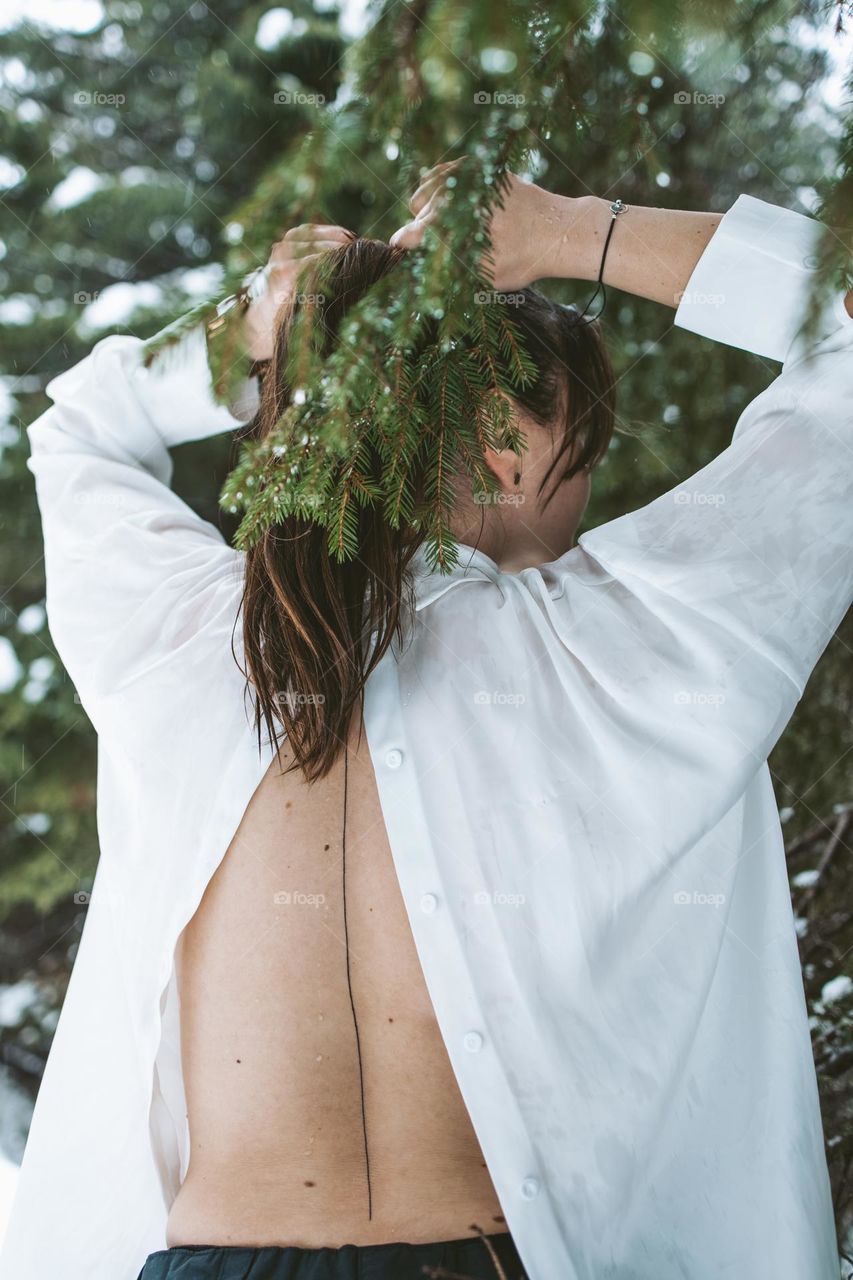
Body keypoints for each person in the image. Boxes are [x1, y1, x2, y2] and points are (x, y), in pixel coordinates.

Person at [1, 164, 851, 1280]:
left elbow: (81, 433)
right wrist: (568, 230)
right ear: (509, 442)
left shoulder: (187, 642)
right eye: (579, 455)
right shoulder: (627, 644)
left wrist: (255, 326)